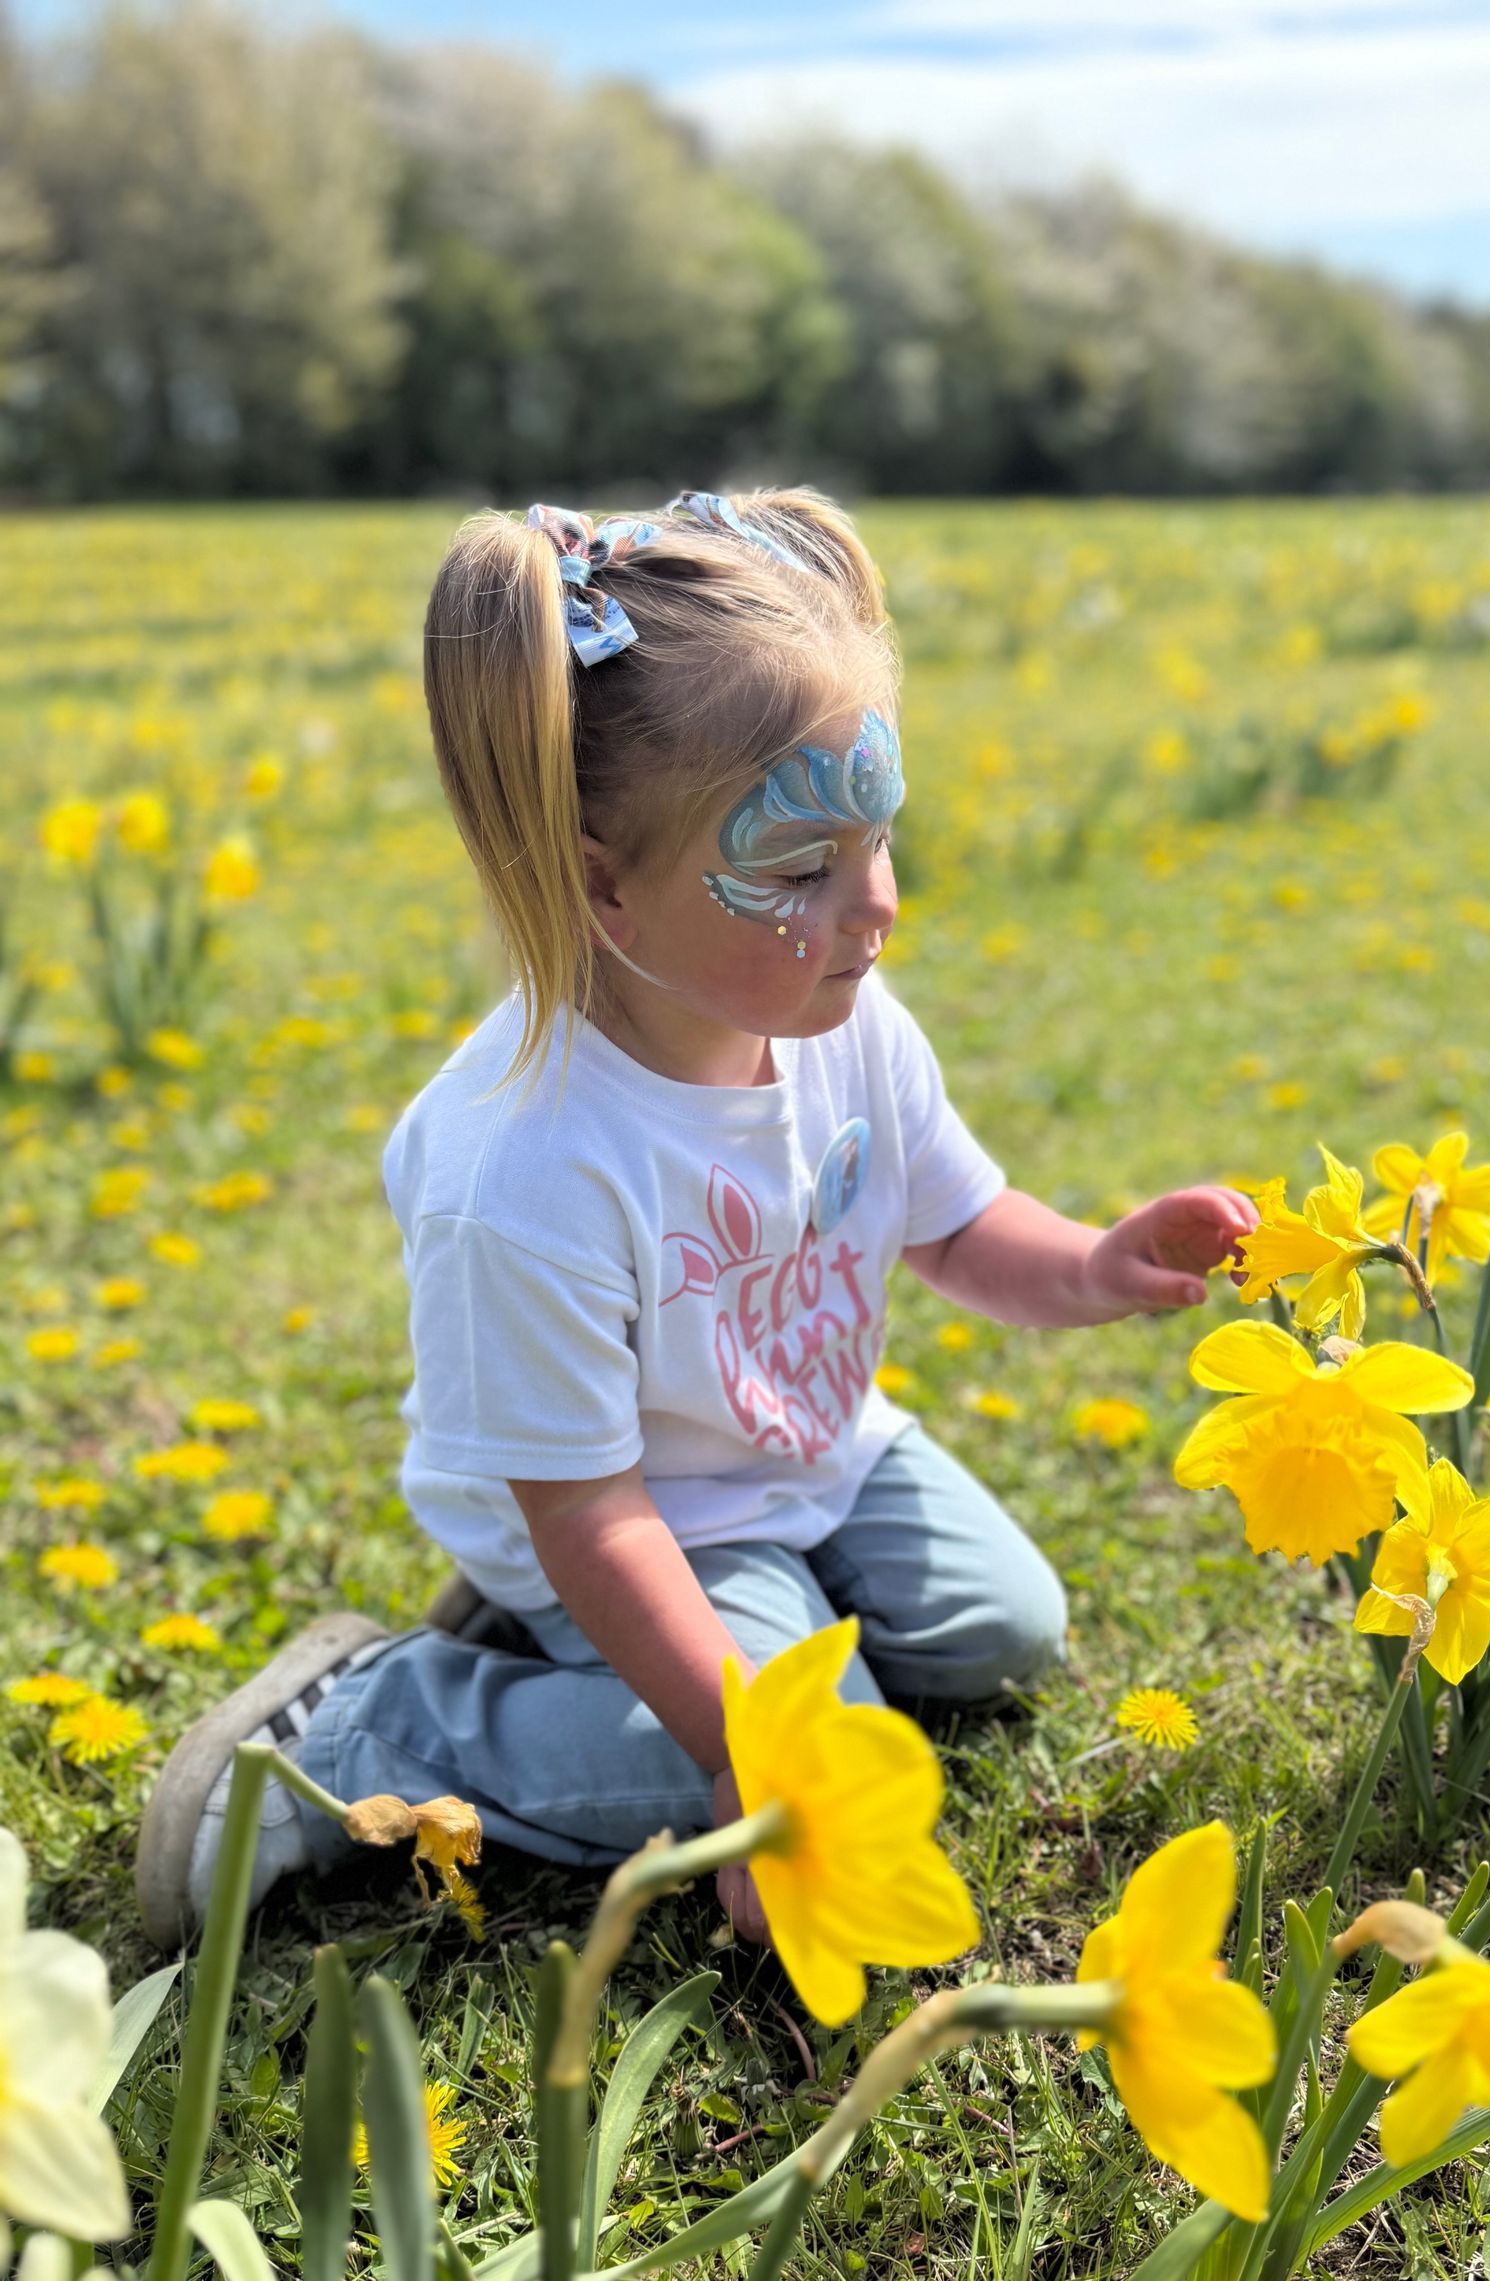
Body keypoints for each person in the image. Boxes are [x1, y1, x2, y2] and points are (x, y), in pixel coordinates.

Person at [135, 488, 1256, 1952]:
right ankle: (372, 1732)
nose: (877, 909)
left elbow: (959, 1226)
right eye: (802, 869)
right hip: (631, 1514)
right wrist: (739, 1754)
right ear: (603, 886)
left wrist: (1099, 1263)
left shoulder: (842, 1020)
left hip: (808, 1443)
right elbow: (589, 1508)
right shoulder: (526, 1172)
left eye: (879, 841)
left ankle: (671, 1653)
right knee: (812, 1765)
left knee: (1005, 1633)